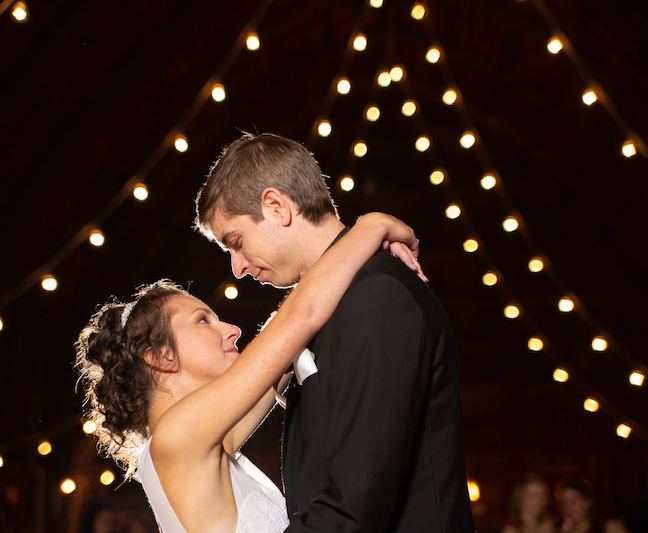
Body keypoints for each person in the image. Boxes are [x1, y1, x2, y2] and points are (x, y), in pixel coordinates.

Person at [195, 132, 476, 532]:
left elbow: (356, 501)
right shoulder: (322, 306)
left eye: (236, 242)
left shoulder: (376, 297)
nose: (237, 268)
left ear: (276, 206)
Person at [75, 213, 423, 533]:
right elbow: (299, 318)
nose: (232, 329)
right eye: (203, 320)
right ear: (161, 356)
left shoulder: (201, 447)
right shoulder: (175, 438)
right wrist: (372, 226)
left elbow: (280, 350)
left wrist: (345, 257)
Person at [554, 479, 627, 533]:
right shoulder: (560, 531)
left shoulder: (608, 527)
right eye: (564, 503)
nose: (568, 507)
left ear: (587, 502)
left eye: (573, 501)